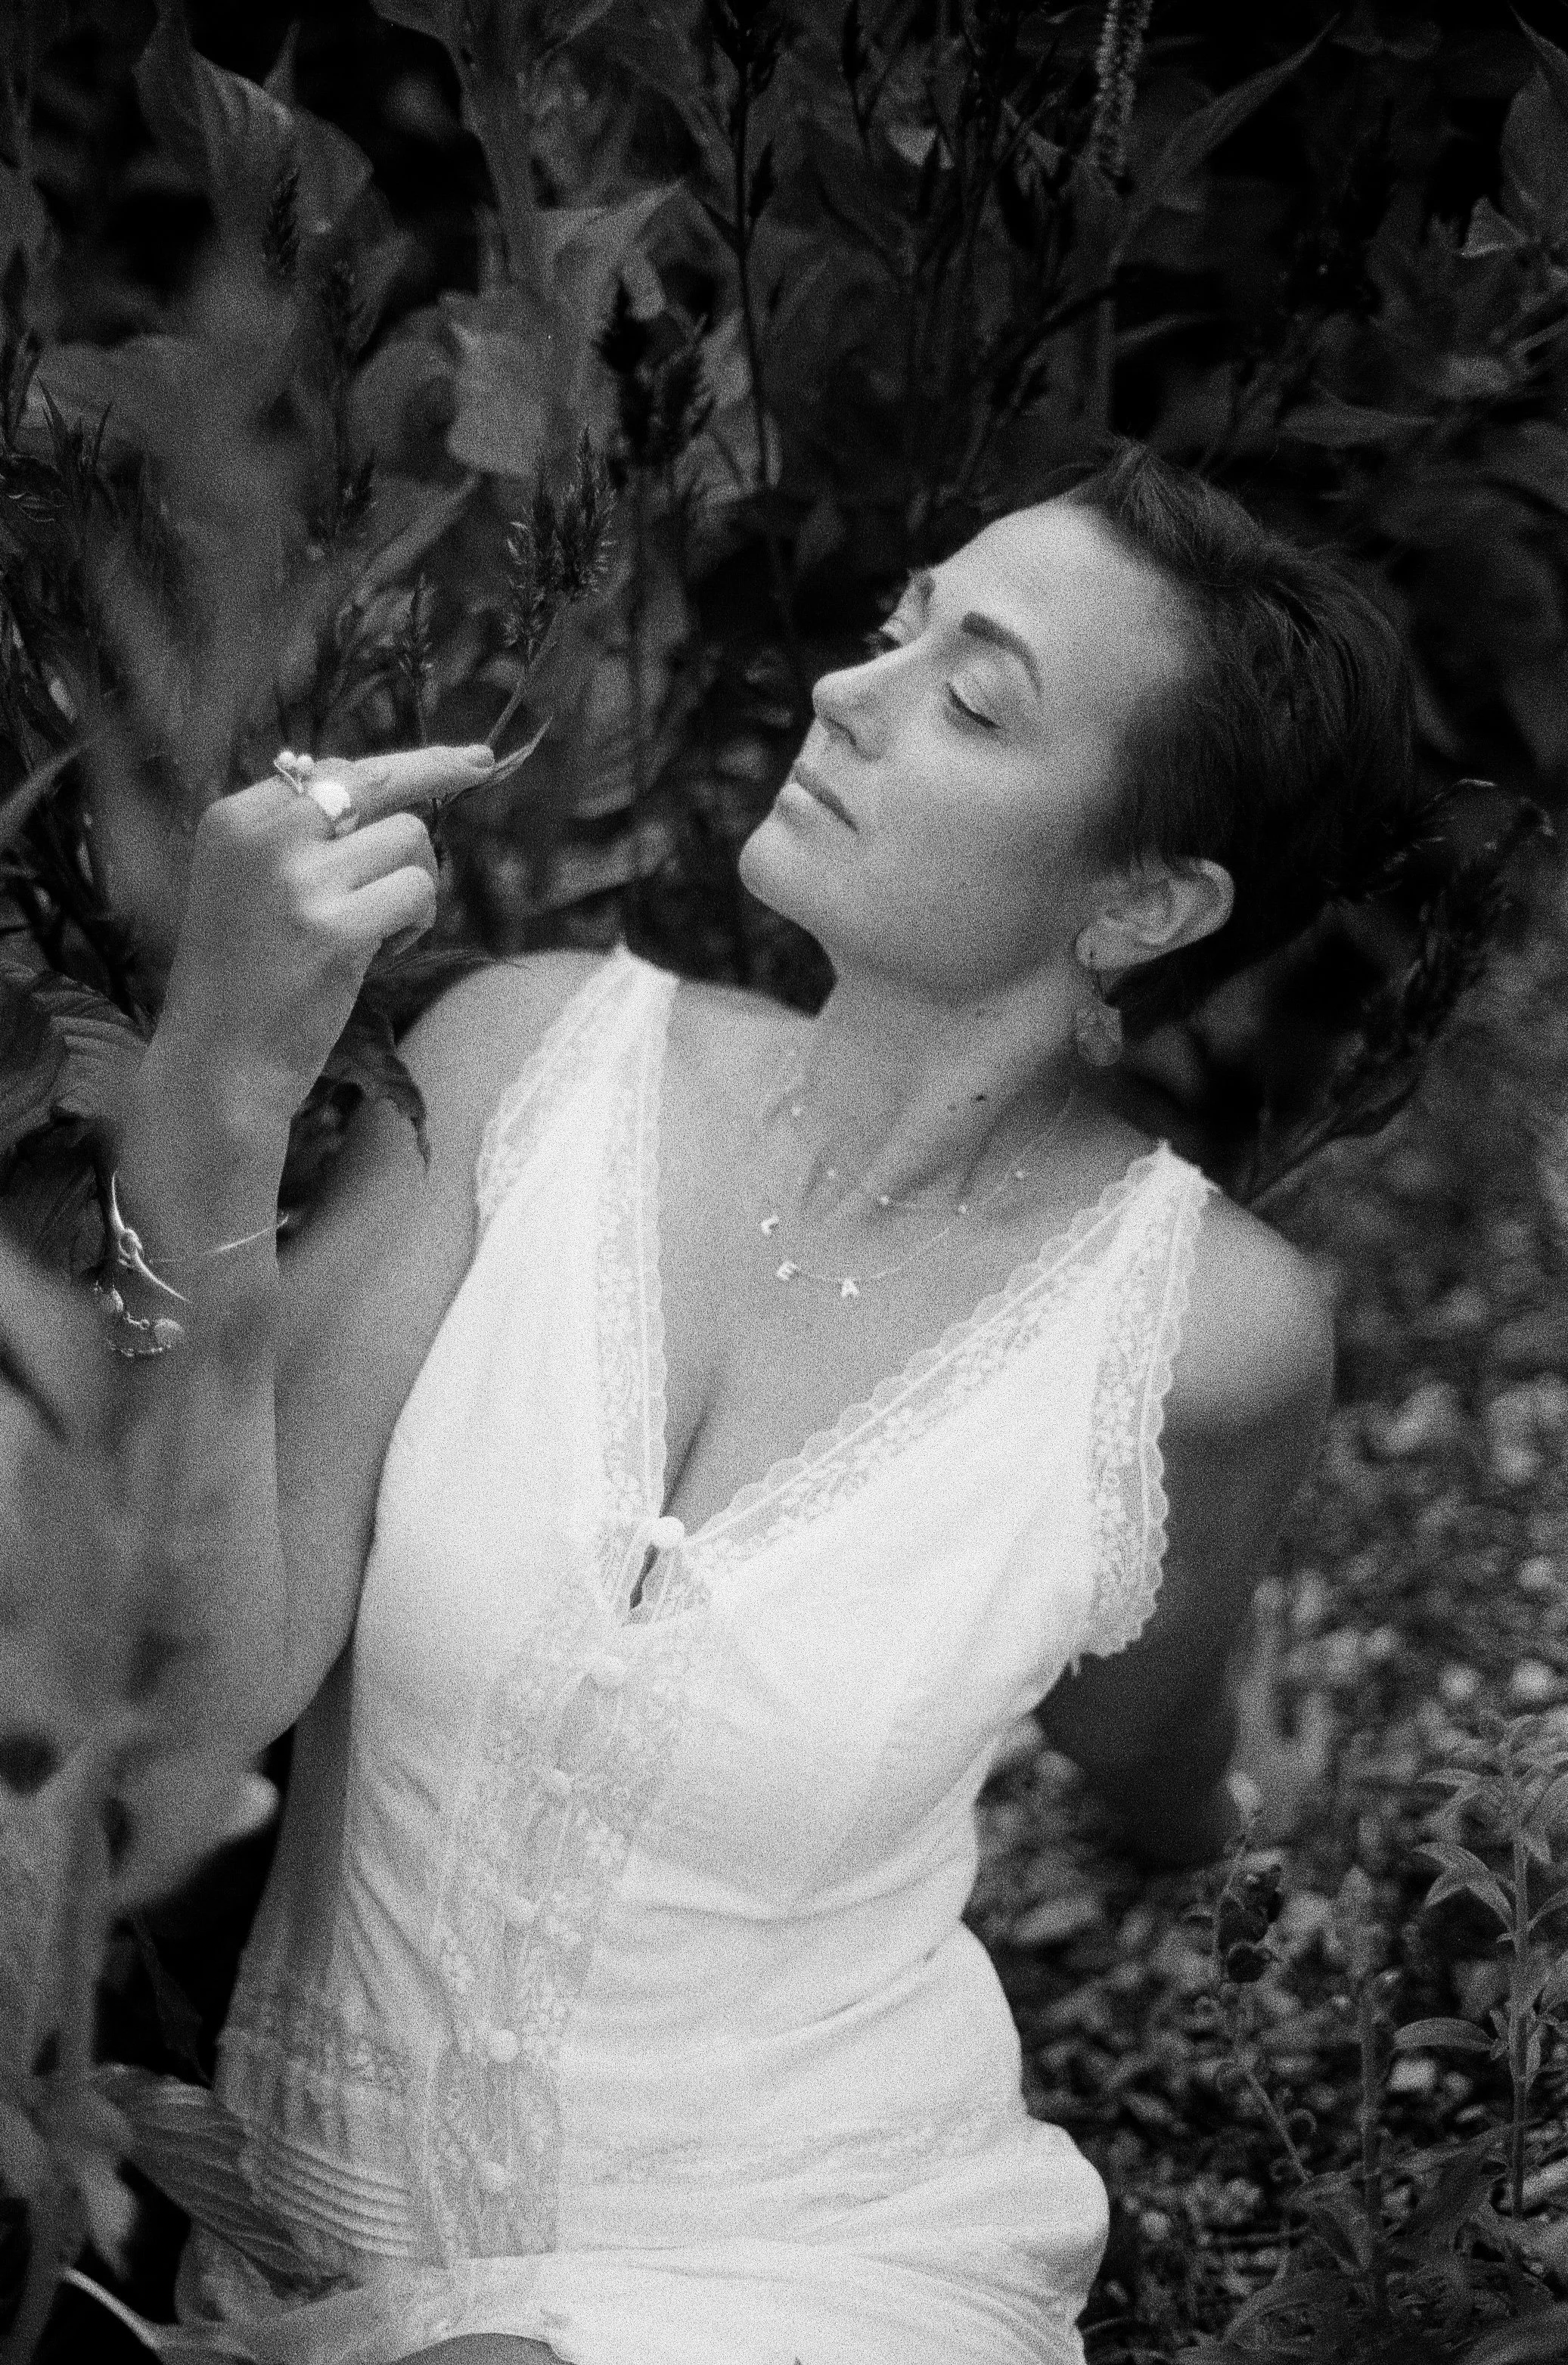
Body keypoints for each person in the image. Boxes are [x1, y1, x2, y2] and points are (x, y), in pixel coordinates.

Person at [88, 445, 1411, 2365]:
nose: (845, 694)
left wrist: (1255, 1819)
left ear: (1142, 903)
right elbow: (193, 1718)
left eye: (969, 694)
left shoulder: (1205, 1336)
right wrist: (214, 1089)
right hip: (325, 2269)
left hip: (828, 2266)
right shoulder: (524, 1061)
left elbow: (1153, 1729)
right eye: (897, 625)